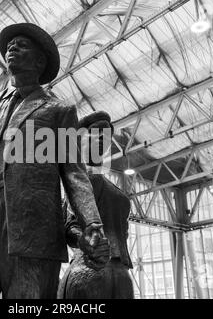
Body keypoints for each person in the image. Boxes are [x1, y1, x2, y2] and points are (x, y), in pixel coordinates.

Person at [0, 23, 109, 299]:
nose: (12, 47)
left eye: (22, 45)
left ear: (39, 61)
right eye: (10, 45)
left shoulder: (58, 110)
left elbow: (74, 174)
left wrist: (92, 224)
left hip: (34, 223)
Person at [58, 111, 134, 299]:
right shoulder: (77, 186)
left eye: (106, 134)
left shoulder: (119, 195)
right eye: (95, 132)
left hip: (121, 273)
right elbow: (69, 227)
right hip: (87, 268)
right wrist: (85, 241)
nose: (102, 138)